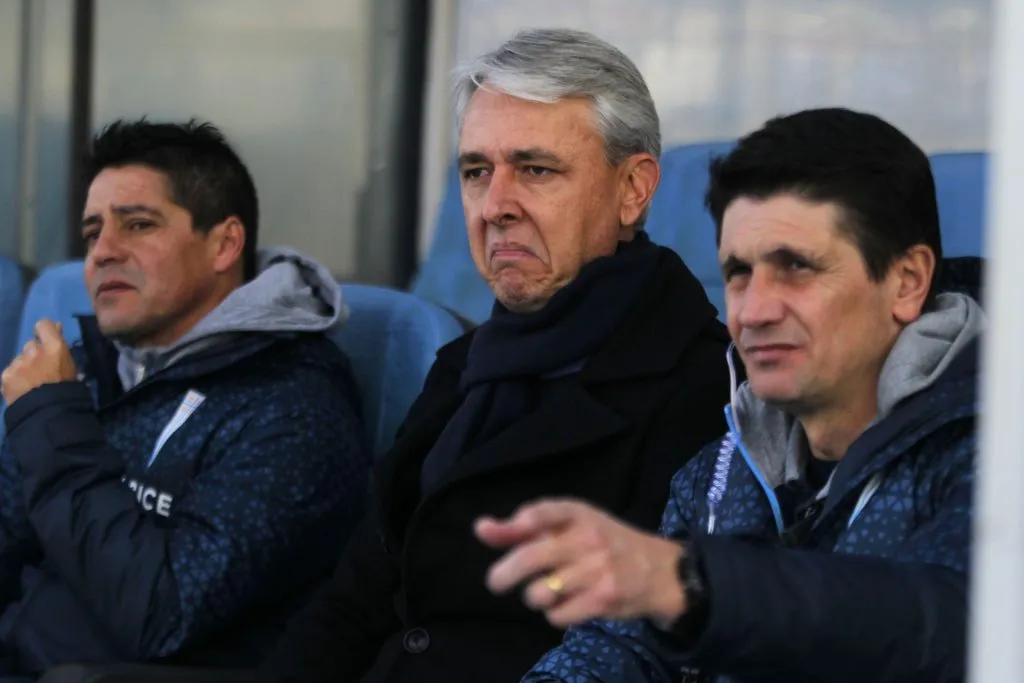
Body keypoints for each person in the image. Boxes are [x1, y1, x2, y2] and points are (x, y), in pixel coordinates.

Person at [264, 28, 733, 683]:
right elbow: (355, 599)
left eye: (536, 169)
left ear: (633, 189)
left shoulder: (705, 388)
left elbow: (638, 651)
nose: (495, 206)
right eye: (477, 171)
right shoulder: (462, 364)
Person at [480, 108, 983, 683]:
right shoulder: (718, 469)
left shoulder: (993, 454)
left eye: (796, 267)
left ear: (907, 281)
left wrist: (694, 586)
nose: (754, 311)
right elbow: (619, 651)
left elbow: (954, 626)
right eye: (739, 272)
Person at [0, 119, 369, 679]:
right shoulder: (96, 368)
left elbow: (160, 613)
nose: (103, 252)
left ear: (224, 244)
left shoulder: (292, 411)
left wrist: (51, 422)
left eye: (139, 225)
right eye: (92, 232)